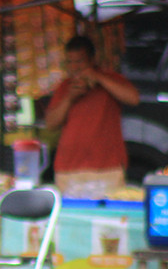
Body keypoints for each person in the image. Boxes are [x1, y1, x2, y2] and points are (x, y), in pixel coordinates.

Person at [44, 35, 139, 196]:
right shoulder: (65, 87)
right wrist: (69, 98)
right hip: (69, 168)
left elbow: (133, 99)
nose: (75, 67)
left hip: (107, 167)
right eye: (70, 62)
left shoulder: (110, 80)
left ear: (92, 60)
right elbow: (51, 124)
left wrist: (99, 78)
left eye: (79, 61)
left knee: (109, 218)